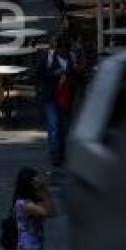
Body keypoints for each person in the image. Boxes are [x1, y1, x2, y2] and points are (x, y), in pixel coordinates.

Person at [37, 38, 78, 167]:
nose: (64, 53)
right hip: (51, 98)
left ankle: (62, 152)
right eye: (62, 51)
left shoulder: (72, 58)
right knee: (54, 126)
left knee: (65, 127)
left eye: (66, 51)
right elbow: (39, 75)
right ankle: (55, 155)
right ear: (58, 50)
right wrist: (54, 74)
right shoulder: (48, 59)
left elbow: (76, 77)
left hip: (66, 98)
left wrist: (72, 74)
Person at [12, 167, 56, 250]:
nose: (39, 181)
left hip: (29, 246)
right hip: (29, 249)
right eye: (35, 180)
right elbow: (50, 212)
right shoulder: (26, 205)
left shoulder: (25, 199)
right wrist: (44, 189)